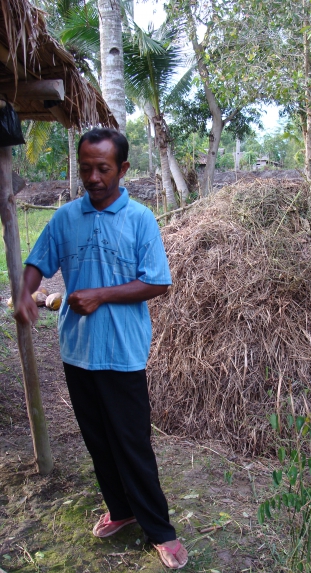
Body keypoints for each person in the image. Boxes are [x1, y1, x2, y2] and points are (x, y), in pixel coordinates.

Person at [14, 128, 188, 570]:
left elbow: (158, 281)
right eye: (86, 167)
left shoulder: (141, 219)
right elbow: (38, 262)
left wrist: (101, 295)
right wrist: (24, 293)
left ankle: (161, 530)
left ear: (123, 169)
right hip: (76, 350)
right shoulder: (66, 218)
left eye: (103, 169)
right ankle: (122, 509)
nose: (92, 177)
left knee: (131, 443)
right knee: (98, 441)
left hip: (123, 351)